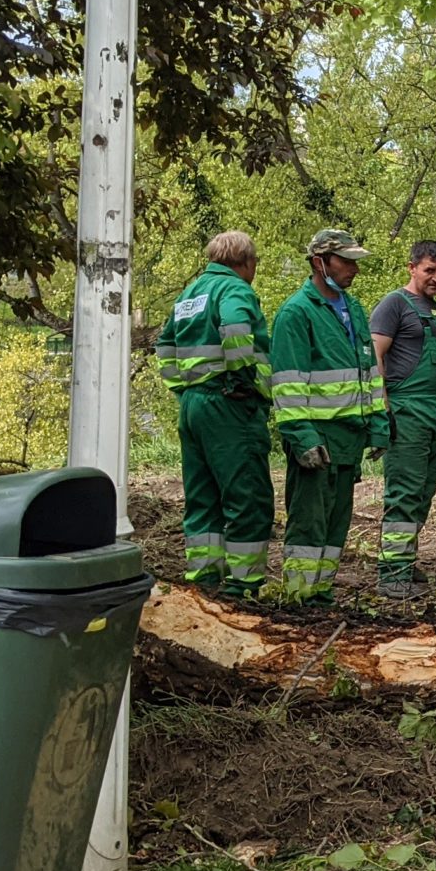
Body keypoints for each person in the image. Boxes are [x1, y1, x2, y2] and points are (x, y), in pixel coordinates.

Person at [267, 228, 388, 604]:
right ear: (320, 262)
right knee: (309, 520)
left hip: (349, 439)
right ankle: (299, 597)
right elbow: (287, 384)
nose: (353, 269)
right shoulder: (296, 312)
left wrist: (379, 426)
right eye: (345, 261)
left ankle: (321, 594)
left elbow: (369, 374)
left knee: (337, 521)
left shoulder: (352, 307)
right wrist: (302, 437)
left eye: (355, 261)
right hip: (316, 438)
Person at [153, 231, 273, 598]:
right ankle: (243, 585)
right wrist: (242, 380)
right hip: (227, 402)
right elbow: (237, 330)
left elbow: (164, 346)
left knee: (202, 494)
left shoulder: (190, 294)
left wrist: (183, 389)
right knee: (246, 493)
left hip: (194, 404)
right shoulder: (233, 289)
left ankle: (203, 582)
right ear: (245, 262)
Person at [369, 238, 436, 594]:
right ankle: (392, 574)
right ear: (412, 268)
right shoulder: (394, 305)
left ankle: (404, 562)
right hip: (406, 411)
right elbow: (375, 358)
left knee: (424, 491)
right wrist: (384, 410)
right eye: (429, 270)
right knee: (405, 492)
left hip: (435, 413)